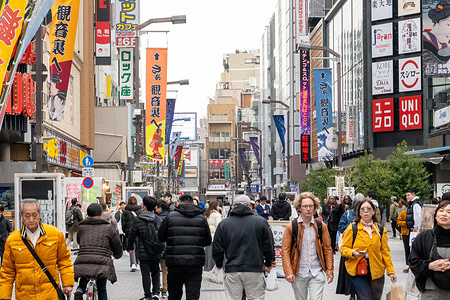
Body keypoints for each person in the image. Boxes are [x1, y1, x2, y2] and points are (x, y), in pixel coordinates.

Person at [0, 199, 74, 299]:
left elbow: (64, 260)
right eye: (27, 215)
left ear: (39, 214)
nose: (31, 219)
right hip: (25, 295)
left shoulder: (55, 234)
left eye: (34, 215)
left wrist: (68, 283)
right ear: (21, 216)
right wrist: (4, 297)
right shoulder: (12, 240)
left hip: (49, 295)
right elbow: (7, 272)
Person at [213, 195, 275, 300]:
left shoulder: (224, 224)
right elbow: (268, 245)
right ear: (249, 205)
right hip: (254, 268)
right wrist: (268, 263)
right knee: (256, 297)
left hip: (232, 268)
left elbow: (217, 248)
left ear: (233, 206)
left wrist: (219, 264)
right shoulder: (260, 221)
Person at [281, 192, 334, 300]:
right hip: (299, 272)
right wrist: (288, 272)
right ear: (299, 208)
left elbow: (328, 249)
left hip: (317, 271)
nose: (308, 209)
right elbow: (285, 250)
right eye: (305, 206)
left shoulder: (321, 226)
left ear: (315, 207)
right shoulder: (292, 227)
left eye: (311, 206)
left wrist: (330, 270)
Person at [340, 199, 397, 300]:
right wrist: (352, 252)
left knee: (375, 298)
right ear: (359, 212)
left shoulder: (380, 229)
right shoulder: (352, 228)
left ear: (373, 211)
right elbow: (343, 248)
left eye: (368, 208)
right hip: (357, 268)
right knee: (365, 298)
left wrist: (391, 271)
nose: (366, 211)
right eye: (362, 209)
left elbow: (385, 251)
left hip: (377, 269)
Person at [158, 194, 211, 300]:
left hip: (175, 263)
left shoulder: (171, 217)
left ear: (179, 203)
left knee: (174, 295)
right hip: (195, 263)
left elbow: (161, 236)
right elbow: (208, 240)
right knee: (193, 296)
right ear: (192, 203)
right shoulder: (201, 218)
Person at [73, 203, 123, 300]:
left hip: (84, 259)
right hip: (102, 262)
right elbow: (116, 244)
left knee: (86, 271)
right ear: (101, 213)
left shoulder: (82, 226)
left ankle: (80, 289)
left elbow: (79, 241)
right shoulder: (107, 227)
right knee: (102, 289)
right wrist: (118, 254)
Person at [409, 200, 450, 298]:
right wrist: (430, 265)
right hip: (430, 292)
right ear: (435, 215)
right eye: (441, 211)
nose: (444, 214)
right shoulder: (424, 237)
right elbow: (413, 262)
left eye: (449, 212)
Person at [128, 196, 164, 300]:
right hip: (156, 250)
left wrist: (130, 247)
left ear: (144, 206)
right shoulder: (158, 219)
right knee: (156, 271)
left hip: (143, 251)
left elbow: (132, 235)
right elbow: (162, 235)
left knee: (145, 274)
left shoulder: (138, 220)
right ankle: (156, 293)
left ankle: (147, 295)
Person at [336, 193, 365, 300]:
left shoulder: (366, 214)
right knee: (349, 274)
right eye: (358, 204)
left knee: (362, 273)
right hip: (349, 249)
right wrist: (351, 226)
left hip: (363, 249)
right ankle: (352, 295)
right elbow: (340, 227)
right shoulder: (348, 214)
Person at [122, 195, 143, 272]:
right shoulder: (140, 211)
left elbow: (123, 223)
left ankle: (133, 263)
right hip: (138, 231)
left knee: (131, 247)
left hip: (129, 231)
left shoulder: (126, 211)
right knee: (138, 247)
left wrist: (125, 230)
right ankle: (137, 263)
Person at [155, 199, 169, 299]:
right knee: (165, 270)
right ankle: (165, 290)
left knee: (155, 270)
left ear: (160, 208)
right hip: (167, 247)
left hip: (156, 247)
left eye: (157, 207)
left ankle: (157, 289)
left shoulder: (155, 218)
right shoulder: (170, 218)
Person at [204, 200, 222, 272]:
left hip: (208, 237)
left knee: (208, 254)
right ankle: (214, 269)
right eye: (218, 206)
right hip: (215, 237)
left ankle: (208, 268)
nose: (219, 207)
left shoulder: (207, 214)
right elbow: (219, 226)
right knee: (214, 254)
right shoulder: (217, 215)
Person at [396, 200, 411, 273]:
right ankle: (407, 264)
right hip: (405, 233)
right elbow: (398, 221)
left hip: (412, 233)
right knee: (407, 248)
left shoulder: (414, 214)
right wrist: (406, 223)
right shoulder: (403, 213)